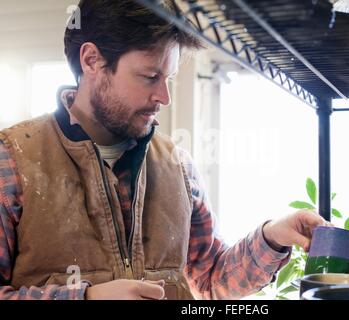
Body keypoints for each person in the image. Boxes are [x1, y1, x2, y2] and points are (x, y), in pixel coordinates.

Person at [0, 0, 328, 300]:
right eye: (150, 76)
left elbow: (212, 279)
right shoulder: (11, 158)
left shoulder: (178, 165)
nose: (164, 97)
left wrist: (273, 236)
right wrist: (85, 298)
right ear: (91, 60)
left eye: (168, 78)